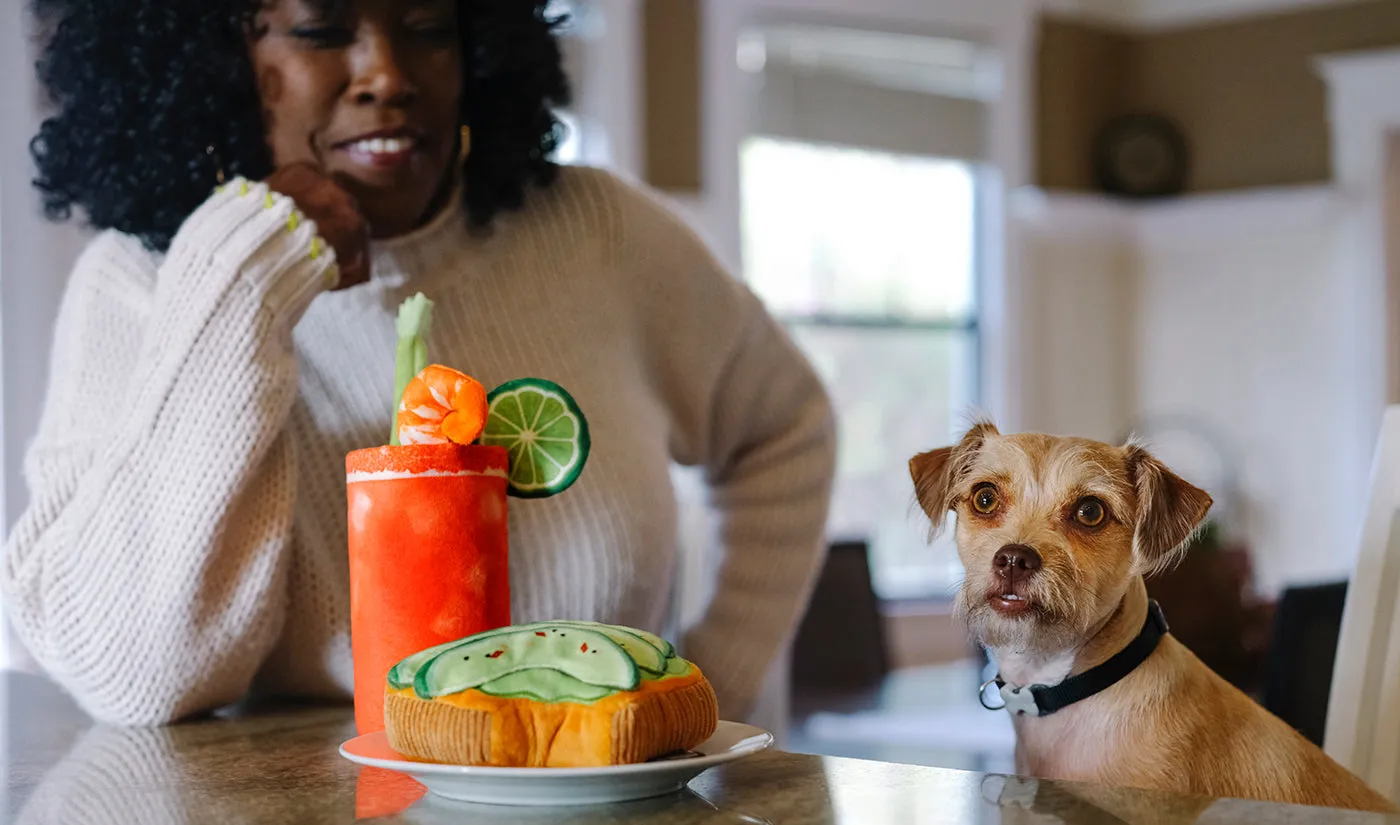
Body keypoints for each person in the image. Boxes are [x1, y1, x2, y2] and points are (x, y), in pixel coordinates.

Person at [4, 0, 836, 728]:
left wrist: (711, 693)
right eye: (324, 28)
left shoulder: (600, 235)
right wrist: (242, 275)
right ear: (221, 56)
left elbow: (785, 427)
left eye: (430, 28)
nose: (387, 74)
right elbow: (135, 675)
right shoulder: (139, 282)